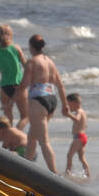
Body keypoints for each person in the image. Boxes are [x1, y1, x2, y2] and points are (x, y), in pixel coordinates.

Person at [18, 34, 68, 172]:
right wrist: (65, 105)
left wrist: (11, 101)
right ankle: (25, 169)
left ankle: (55, 175)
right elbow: (60, 85)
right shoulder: (50, 61)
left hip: (38, 102)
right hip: (51, 100)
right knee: (32, 137)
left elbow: (24, 84)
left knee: (44, 141)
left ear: (31, 46)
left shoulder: (32, 61)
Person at [0, 24, 27, 130]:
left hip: (4, 88)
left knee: (8, 118)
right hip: (19, 85)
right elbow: (26, 66)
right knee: (25, 116)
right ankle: (17, 135)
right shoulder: (16, 48)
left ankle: (10, 138)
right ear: (10, 34)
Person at [63, 93, 90, 179]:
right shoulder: (83, 112)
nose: (68, 107)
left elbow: (77, 119)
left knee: (69, 155)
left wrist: (68, 115)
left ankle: (67, 173)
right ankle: (88, 174)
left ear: (74, 103)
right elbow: (84, 125)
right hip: (83, 136)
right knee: (81, 158)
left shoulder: (79, 112)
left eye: (68, 104)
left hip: (79, 137)